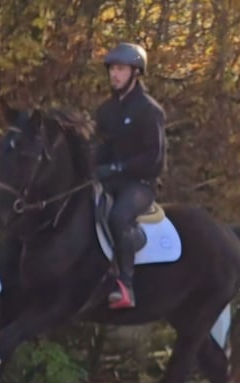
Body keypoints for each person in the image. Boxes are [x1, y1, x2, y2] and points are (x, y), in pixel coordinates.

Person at [94, 42, 167, 309]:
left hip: (140, 184)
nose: (114, 74)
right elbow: (100, 149)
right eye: (112, 69)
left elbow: (154, 159)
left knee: (119, 216)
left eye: (121, 69)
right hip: (109, 181)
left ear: (135, 73)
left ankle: (126, 285)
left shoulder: (149, 111)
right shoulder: (105, 111)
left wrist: (118, 168)